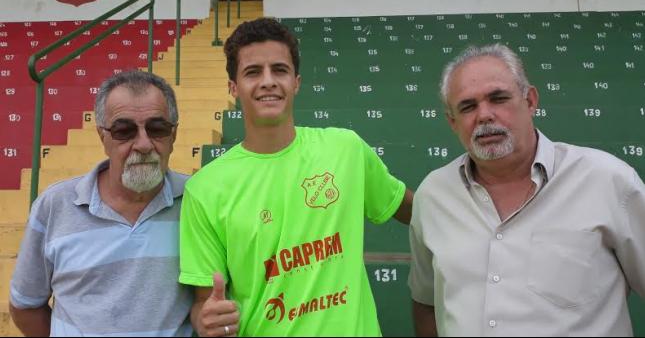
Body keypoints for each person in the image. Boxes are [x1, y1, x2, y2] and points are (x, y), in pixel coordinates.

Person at [179, 17, 414, 337]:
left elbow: (415, 210)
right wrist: (204, 320)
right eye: (252, 72)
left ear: (296, 82)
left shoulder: (346, 149)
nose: (268, 81)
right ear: (233, 88)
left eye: (279, 70)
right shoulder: (204, 189)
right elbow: (205, 302)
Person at [408, 43, 645, 336]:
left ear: (530, 100)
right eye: (468, 106)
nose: (484, 115)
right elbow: (426, 302)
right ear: (452, 121)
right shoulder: (433, 196)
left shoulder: (608, 181)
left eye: (498, 98)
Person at [9, 70, 193, 336]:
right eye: (124, 131)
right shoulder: (54, 205)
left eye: (157, 129)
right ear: (102, 137)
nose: (143, 144)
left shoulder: (197, 201)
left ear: (173, 135)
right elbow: (25, 306)